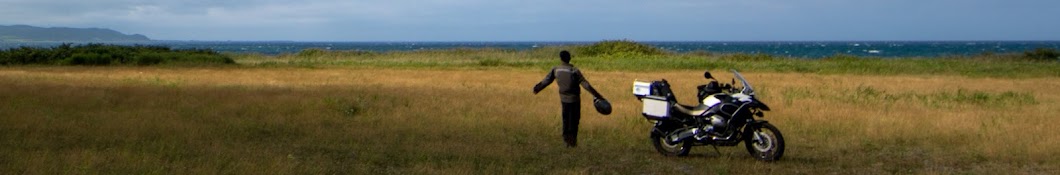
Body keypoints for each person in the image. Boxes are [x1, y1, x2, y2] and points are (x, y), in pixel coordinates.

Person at [533, 50, 602, 147]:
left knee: (566, 119)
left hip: (564, 99)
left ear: (561, 58)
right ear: (569, 58)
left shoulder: (556, 69)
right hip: (575, 99)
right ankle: (573, 141)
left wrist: (537, 88)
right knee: (574, 120)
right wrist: (597, 95)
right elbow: (586, 85)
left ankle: (566, 141)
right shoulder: (574, 70)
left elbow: (546, 81)